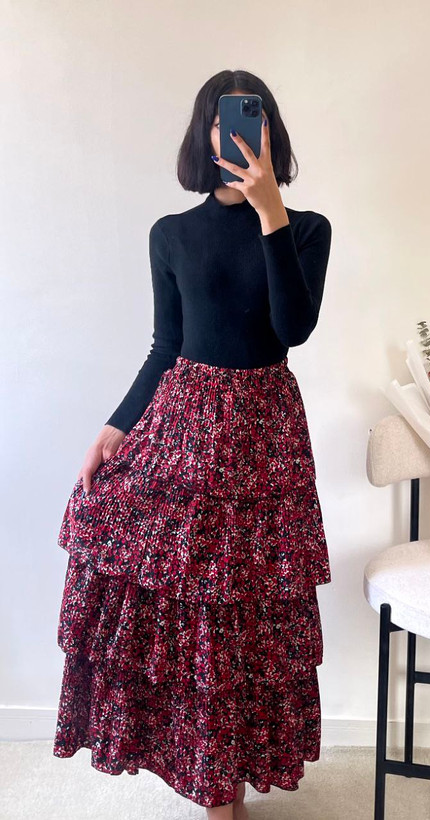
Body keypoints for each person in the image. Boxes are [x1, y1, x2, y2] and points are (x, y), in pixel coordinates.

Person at [52, 69, 332, 820]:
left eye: (251, 117)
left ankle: (228, 784)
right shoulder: (170, 234)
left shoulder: (306, 229)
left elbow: (293, 329)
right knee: (189, 603)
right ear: (205, 134)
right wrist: (115, 428)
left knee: (250, 608)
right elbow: (166, 345)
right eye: (222, 119)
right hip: (185, 428)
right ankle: (211, 784)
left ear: (269, 130)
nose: (236, 132)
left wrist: (271, 214)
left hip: (265, 437)